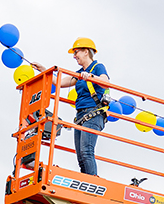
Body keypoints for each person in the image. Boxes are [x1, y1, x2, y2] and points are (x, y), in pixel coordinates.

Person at [31, 38, 110, 175]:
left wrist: (90, 76)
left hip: (93, 113)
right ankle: (86, 180)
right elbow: (59, 83)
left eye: (76, 52)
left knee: (86, 151)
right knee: (80, 155)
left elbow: (105, 82)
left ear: (86, 52)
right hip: (81, 115)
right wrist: (45, 70)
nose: (74, 56)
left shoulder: (98, 67)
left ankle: (91, 183)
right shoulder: (79, 72)